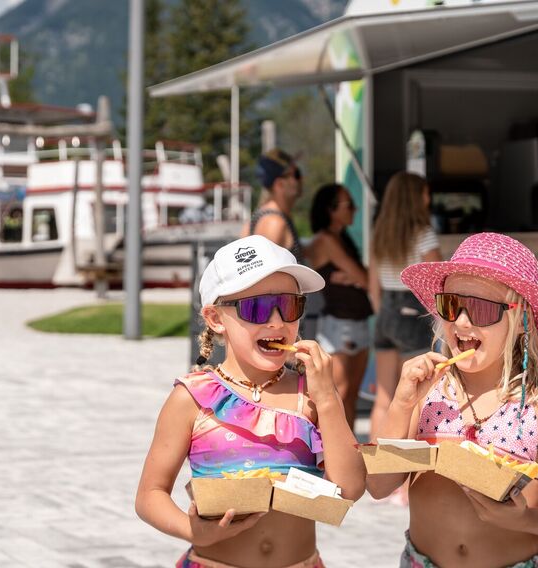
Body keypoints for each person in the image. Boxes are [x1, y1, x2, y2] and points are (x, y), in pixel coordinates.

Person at [135, 235, 366, 568]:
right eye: (256, 308)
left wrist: (328, 398)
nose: (277, 321)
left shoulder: (311, 396)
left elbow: (350, 488)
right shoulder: (191, 399)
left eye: (289, 306)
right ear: (216, 319)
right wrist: (193, 530)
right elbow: (149, 496)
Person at [367, 232, 538, 568]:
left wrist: (527, 520)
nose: (461, 321)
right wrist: (401, 404)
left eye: (481, 309)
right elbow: (377, 485)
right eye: (451, 306)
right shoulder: (426, 394)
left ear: (521, 322)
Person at [368, 172, 442, 438]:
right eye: (425, 192)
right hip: (413, 310)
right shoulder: (423, 234)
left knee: (384, 396)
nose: (428, 198)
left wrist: (383, 313)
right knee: (417, 396)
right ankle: (405, 468)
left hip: (387, 309)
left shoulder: (380, 232)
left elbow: (373, 283)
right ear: (415, 197)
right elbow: (437, 279)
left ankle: (376, 464)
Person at [306, 183, 373, 429]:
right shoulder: (326, 240)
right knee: (340, 395)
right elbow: (365, 278)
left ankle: (349, 451)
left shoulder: (340, 239)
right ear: (331, 210)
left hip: (354, 321)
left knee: (350, 395)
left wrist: (355, 278)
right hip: (340, 324)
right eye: (349, 205)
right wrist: (354, 278)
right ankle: (332, 454)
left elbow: (363, 277)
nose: (354, 209)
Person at [245, 149, 304, 261]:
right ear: (279, 184)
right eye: (296, 174)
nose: (301, 179)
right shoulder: (274, 223)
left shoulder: (263, 216)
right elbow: (264, 274)